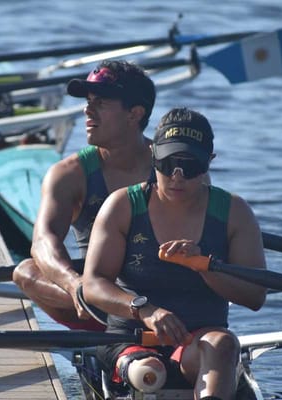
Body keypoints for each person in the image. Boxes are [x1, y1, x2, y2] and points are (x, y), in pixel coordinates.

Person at [82, 107, 267, 400]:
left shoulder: (235, 212)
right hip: (132, 338)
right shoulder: (122, 206)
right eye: (168, 164)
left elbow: (256, 296)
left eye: (189, 165)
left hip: (200, 343)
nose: (177, 176)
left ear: (209, 162)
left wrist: (206, 267)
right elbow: (92, 285)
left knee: (223, 345)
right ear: (153, 154)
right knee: (151, 371)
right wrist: (146, 310)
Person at [12, 60, 157, 331]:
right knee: (25, 271)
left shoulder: (172, 168)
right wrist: (74, 283)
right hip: (96, 302)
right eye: (88, 101)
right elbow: (43, 241)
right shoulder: (68, 174)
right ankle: (103, 312)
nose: (87, 110)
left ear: (135, 114)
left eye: (100, 102)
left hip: (160, 292)